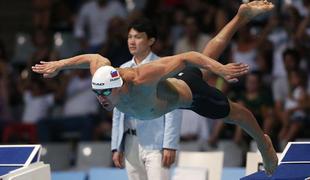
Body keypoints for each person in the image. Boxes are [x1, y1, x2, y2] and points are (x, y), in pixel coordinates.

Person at [32, 0, 278, 175]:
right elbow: (91, 58)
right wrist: (59, 64)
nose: (102, 99)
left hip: (190, 96)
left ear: (119, 85)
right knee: (206, 57)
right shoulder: (103, 74)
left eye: (106, 92)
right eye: (98, 93)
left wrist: (220, 70)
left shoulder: (142, 76)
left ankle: (263, 144)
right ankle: (240, 17)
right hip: (170, 89)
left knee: (239, 116)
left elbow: (187, 56)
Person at [111, 18, 181, 180]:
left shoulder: (162, 66)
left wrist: (170, 144)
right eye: (130, 37)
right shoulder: (122, 69)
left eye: (138, 37)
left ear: (151, 40)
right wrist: (116, 146)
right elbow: (117, 108)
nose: (132, 41)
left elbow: (174, 105)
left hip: (156, 142)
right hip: (129, 143)